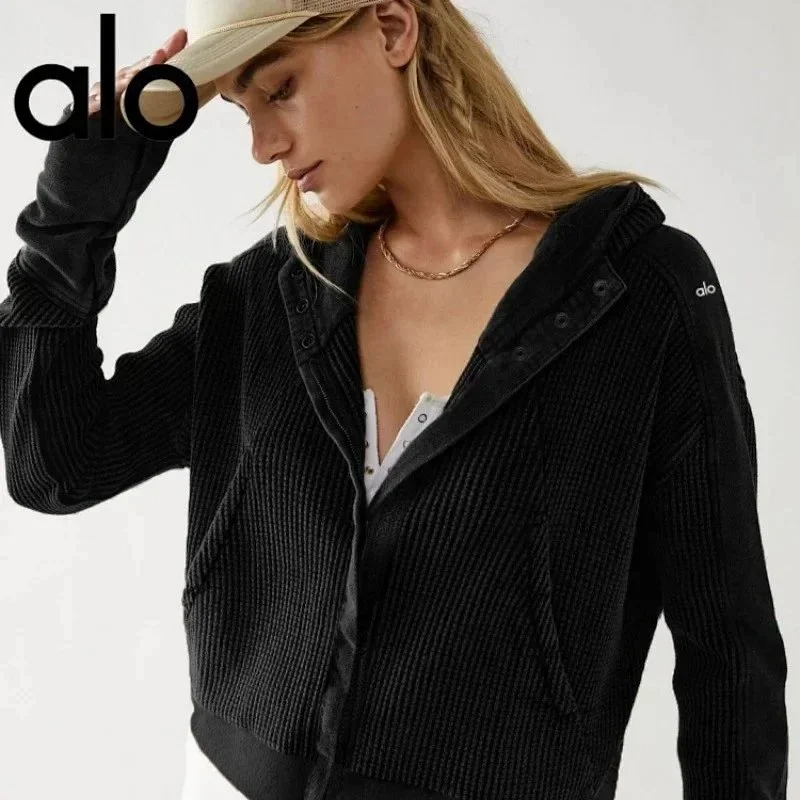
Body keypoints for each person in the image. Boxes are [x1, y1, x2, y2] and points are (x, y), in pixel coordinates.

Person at [1, 1, 788, 799]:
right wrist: (72, 213)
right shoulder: (272, 293)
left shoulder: (637, 291)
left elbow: (728, 650)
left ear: (391, 29)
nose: (262, 145)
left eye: (280, 88)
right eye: (240, 110)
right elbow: (54, 466)